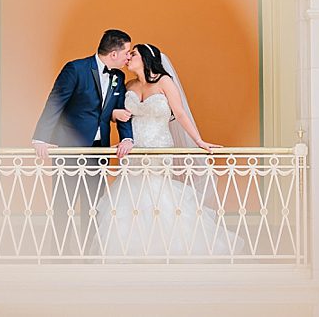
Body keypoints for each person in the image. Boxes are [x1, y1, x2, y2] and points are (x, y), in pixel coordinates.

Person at [94, 43, 237, 257]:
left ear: (145, 58)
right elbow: (118, 114)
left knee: (157, 194)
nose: (128, 57)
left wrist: (199, 141)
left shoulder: (164, 82)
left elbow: (179, 114)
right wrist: (115, 116)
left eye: (133, 54)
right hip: (134, 151)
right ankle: (134, 251)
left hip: (159, 147)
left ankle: (165, 249)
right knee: (131, 196)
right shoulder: (129, 85)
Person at [31, 29, 135, 245]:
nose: (128, 57)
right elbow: (55, 101)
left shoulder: (119, 76)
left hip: (99, 151)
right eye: (126, 52)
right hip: (69, 149)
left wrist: (127, 138)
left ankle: (89, 255)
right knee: (63, 205)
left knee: (93, 207)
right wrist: (40, 138)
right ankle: (60, 257)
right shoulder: (75, 69)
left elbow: (121, 110)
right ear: (114, 54)